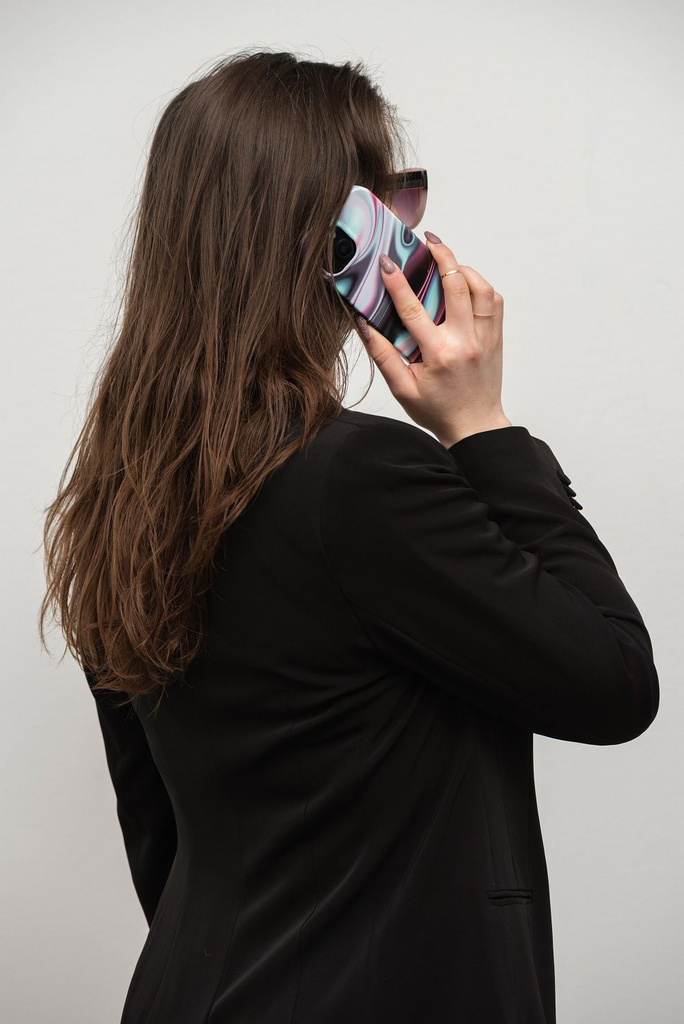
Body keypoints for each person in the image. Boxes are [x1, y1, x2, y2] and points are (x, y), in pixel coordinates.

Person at [40, 48, 659, 1024]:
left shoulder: (123, 493)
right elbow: (615, 681)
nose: (409, 233)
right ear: (328, 238)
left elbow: (159, 841)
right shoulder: (360, 479)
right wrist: (482, 429)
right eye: (387, 204)